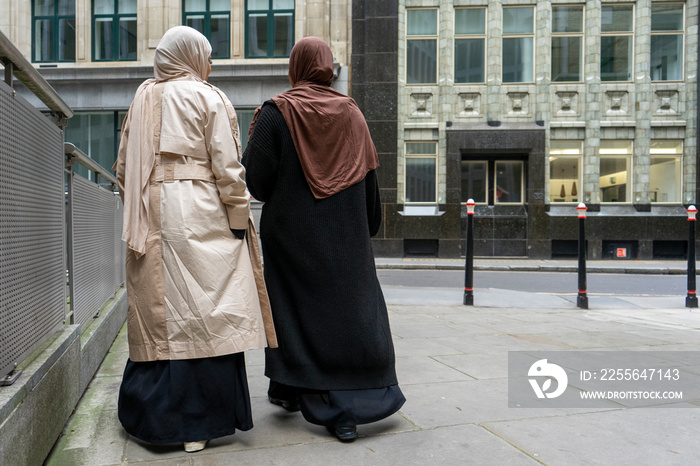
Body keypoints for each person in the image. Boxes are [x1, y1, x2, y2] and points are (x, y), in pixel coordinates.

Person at [113, 26, 276, 453]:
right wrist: (239, 216)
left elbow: (122, 168)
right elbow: (228, 167)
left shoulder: (142, 98)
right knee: (209, 310)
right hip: (202, 210)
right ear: (194, 56)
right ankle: (199, 424)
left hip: (150, 213)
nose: (211, 63)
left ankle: (153, 420)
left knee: (160, 314)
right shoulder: (209, 97)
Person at [242, 36, 405, 443]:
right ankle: (292, 388)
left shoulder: (275, 113)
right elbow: (370, 185)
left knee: (291, 313)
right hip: (346, 238)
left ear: (295, 67)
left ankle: (336, 407)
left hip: (290, 240)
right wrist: (361, 230)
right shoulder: (353, 114)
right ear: (329, 69)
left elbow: (256, 184)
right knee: (347, 314)